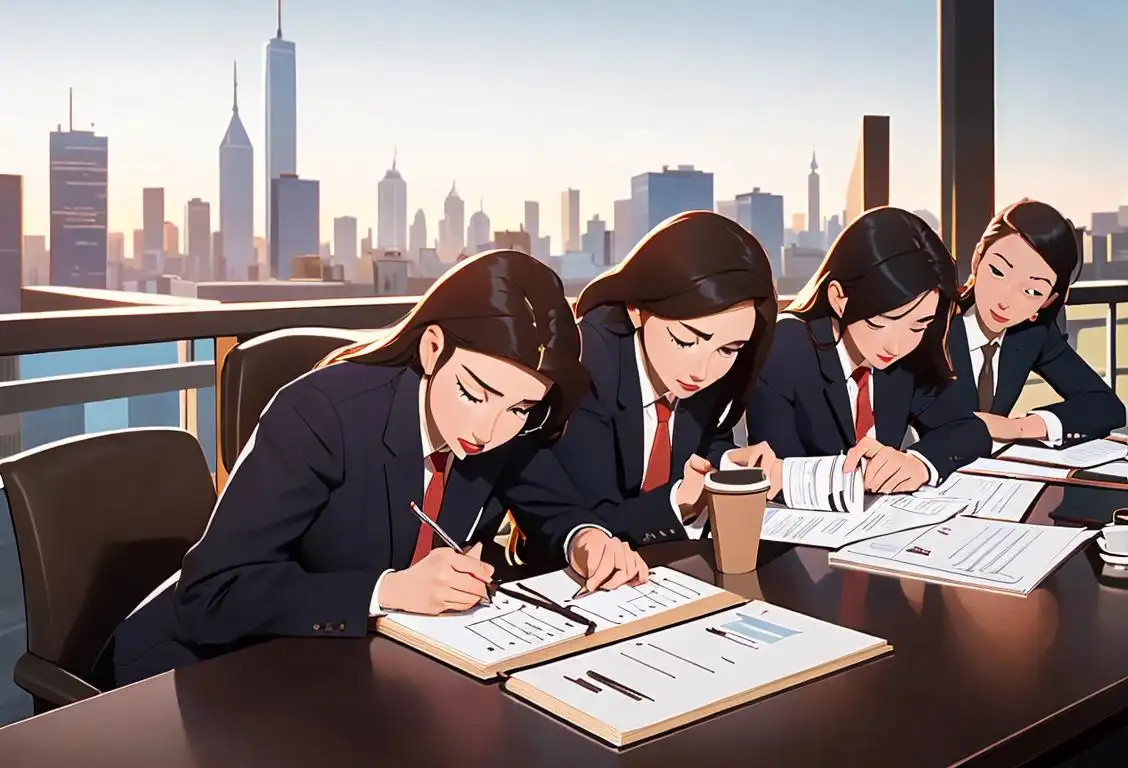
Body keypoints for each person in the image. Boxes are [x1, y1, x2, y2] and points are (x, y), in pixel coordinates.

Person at [110, 250, 648, 686]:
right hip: (205, 664)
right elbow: (215, 593)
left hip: (352, 669)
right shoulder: (321, 413)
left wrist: (586, 539)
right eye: (474, 392)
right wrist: (389, 590)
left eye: (518, 408)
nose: (487, 430)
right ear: (433, 348)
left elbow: (555, 510)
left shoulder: (507, 427)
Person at [511, 210, 779, 553]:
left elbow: (705, 442)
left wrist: (729, 464)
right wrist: (678, 502)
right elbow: (594, 517)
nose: (702, 369)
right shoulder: (588, 363)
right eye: (686, 340)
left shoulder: (710, 371)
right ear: (638, 308)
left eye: (728, 349)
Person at [743, 206, 990, 494]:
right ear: (839, 298)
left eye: (918, 326)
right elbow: (777, 473)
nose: (895, 345)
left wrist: (918, 463)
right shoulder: (785, 347)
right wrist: (856, 477)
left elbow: (969, 430)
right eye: (880, 323)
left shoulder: (908, 355)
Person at [947, 199, 1124, 444]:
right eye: (997, 272)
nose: (1004, 301)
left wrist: (1018, 428)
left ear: (1047, 301)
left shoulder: (1032, 334)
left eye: (1032, 292)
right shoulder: (931, 324)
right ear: (978, 259)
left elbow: (1106, 406)